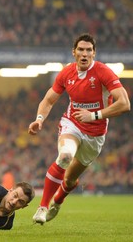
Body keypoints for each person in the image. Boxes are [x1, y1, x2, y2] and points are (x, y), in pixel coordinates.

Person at [28, 33, 130, 225]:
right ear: (73, 52)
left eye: (89, 50)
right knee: (65, 156)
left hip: (96, 134)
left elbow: (124, 104)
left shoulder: (103, 72)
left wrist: (93, 115)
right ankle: (42, 207)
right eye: (81, 50)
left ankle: (57, 201)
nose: (85, 54)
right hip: (72, 124)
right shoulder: (66, 73)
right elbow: (49, 100)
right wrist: (39, 119)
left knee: (69, 180)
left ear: (94, 53)